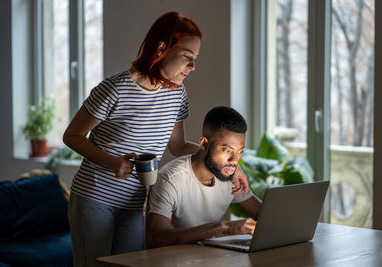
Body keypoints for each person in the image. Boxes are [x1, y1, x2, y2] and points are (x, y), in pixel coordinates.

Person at [63, 12, 249, 266]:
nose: (192, 67)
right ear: (162, 48)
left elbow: (179, 146)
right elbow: (72, 135)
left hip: (136, 202)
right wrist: (112, 162)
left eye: (195, 59)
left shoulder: (177, 94)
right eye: (187, 57)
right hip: (95, 198)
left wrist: (232, 166)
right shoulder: (114, 88)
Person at [146, 106, 262, 249]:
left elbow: (262, 212)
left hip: (208, 257)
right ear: (203, 143)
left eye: (240, 152)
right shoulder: (170, 178)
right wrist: (223, 228)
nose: (234, 160)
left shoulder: (229, 174)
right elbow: (154, 238)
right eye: (227, 150)